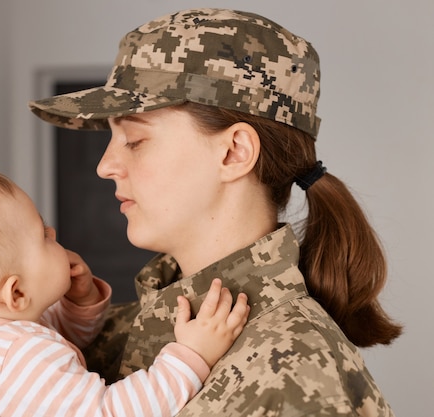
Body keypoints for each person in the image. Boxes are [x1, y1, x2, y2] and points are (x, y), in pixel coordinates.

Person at [29, 8, 403, 417]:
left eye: (134, 139)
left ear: (234, 152)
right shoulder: (99, 336)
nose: (105, 166)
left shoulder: (292, 373)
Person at [0, 168, 250, 417]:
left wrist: (79, 302)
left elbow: (56, 338)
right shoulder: (21, 358)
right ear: (17, 292)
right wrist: (190, 356)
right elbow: (110, 412)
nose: (54, 232)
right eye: (42, 235)